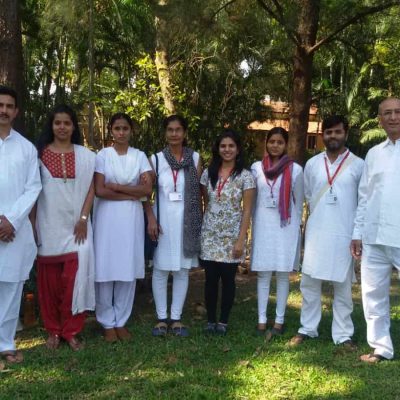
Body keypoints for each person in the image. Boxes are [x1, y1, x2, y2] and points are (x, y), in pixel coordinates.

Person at [290, 115, 364, 348]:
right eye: (329, 132)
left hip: (345, 233)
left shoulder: (359, 164)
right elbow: (308, 196)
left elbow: (363, 202)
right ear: (323, 135)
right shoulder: (312, 164)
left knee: (342, 285)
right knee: (310, 284)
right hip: (317, 233)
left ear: (346, 133)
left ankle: (343, 334)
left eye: (337, 132)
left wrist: (357, 233)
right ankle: (308, 328)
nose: (333, 136)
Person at [34, 105, 95, 351]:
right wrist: (33, 226)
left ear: (73, 127)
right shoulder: (37, 155)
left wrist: (82, 218)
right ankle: (53, 331)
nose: (61, 127)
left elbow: (92, 188)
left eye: (66, 123)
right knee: (49, 283)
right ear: (51, 126)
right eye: (57, 123)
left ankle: (71, 331)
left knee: (74, 279)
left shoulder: (87, 156)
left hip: (77, 228)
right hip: (48, 225)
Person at [94, 113, 152, 342]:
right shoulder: (102, 155)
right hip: (107, 220)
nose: (121, 132)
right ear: (111, 131)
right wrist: (131, 192)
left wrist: (116, 187)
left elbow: (147, 191)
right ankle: (107, 322)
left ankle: (121, 321)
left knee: (127, 270)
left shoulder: (139, 156)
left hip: (131, 220)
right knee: (106, 269)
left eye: (125, 128)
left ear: (131, 130)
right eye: (117, 128)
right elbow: (100, 190)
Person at [351, 97, 400, 363]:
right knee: (372, 295)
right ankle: (381, 347)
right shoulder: (374, 153)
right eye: (387, 114)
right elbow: (364, 196)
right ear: (380, 120)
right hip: (373, 237)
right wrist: (357, 232)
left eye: (397, 112)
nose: (393, 117)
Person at [145, 115, 202, 337]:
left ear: (185, 133)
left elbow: (198, 193)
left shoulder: (195, 158)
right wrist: (151, 218)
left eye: (178, 130)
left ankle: (176, 318)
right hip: (162, 221)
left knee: (181, 270)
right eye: (170, 130)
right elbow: (146, 194)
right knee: (160, 270)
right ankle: (161, 318)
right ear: (165, 133)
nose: (174, 134)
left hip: (186, 223)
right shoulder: (156, 159)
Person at [0, 86, 41, 365]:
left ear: (16, 111)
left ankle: (5, 344)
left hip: (14, 231)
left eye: (9, 106)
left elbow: (33, 187)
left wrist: (10, 220)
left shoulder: (26, 148)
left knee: (12, 288)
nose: (3, 110)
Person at [200, 130, 256, 335]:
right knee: (210, 279)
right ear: (218, 148)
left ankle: (223, 320)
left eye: (231, 146)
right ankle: (210, 320)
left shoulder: (246, 176)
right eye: (223, 146)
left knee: (228, 279)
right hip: (210, 234)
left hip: (233, 235)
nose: (227, 150)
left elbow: (247, 209)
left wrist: (241, 240)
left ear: (238, 149)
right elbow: (205, 202)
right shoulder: (208, 173)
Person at [251, 127, 304, 337]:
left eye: (279, 142)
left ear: (286, 144)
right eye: (272, 141)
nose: (275, 145)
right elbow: (252, 200)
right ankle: (262, 320)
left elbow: (298, 203)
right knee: (263, 274)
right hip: (263, 226)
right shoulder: (256, 168)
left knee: (282, 275)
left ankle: (279, 321)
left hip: (285, 228)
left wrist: (295, 230)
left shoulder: (295, 169)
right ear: (266, 142)